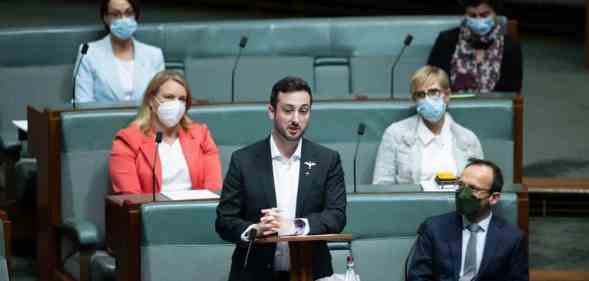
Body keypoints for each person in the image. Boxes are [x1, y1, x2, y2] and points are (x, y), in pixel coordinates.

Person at [215, 76, 346, 281]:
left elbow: (336, 216)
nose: (296, 119)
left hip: (310, 272)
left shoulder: (327, 160)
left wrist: (295, 226)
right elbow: (224, 221)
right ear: (271, 111)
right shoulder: (244, 160)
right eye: (287, 110)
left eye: (303, 111)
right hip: (253, 273)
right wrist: (255, 230)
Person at [408, 158, 528, 281]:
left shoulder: (512, 238)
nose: (462, 193)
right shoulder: (434, 228)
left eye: (473, 188)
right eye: (460, 185)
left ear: (493, 198)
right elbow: (417, 277)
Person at [109, 70, 222, 194]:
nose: (176, 104)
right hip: (151, 211)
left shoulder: (201, 135)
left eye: (182, 99)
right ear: (151, 100)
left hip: (196, 211)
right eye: (169, 97)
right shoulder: (128, 140)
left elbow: (213, 190)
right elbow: (130, 196)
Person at [372, 65, 483, 185]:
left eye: (433, 92)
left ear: (446, 95)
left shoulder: (468, 139)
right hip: (411, 203)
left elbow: (480, 186)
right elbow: (381, 185)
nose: (427, 99)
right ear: (415, 100)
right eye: (420, 95)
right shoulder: (395, 134)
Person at [74, 0, 165, 103]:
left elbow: (160, 101)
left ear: (135, 15)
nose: (123, 19)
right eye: (115, 14)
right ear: (106, 18)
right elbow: (83, 105)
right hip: (103, 118)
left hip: (144, 118)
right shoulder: (88, 53)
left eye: (129, 13)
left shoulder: (154, 55)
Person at [427, 0, 522, 93]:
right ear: (465, 15)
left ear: (495, 14)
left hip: (493, 106)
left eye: (484, 15)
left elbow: (512, 89)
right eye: (472, 15)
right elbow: (432, 79)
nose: (478, 20)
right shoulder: (447, 40)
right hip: (451, 104)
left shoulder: (510, 46)